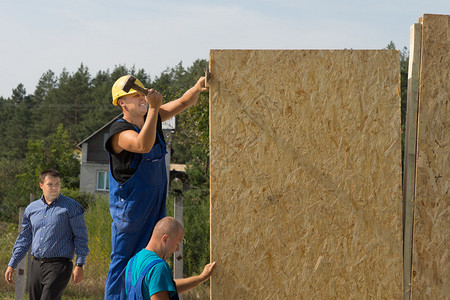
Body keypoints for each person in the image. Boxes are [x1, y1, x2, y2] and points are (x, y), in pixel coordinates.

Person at [105, 75, 208, 299]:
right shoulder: (119, 132)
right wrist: (153, 109)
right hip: (130, 214)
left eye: (142, 95)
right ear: (121, 103)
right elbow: (142, 144)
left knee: (152, 264)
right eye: (135, 96)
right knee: (125, 266)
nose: (141, 98)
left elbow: (182, 102)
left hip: (154, 206)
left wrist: (197, 88)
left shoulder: (154, 118)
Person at [4, 169, 89, 300]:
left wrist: (80, 264)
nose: (54, 188)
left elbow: (81, 237)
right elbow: (24, 239)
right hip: (36, 265)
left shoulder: (71, 207)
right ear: (41, 185)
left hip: (59, 265)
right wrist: (12, 264)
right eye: (50, 184)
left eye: (57, 184)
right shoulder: (31, 209)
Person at [125, 217, 216, 300]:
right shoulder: (158, 267)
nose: (177, 249)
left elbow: (162, 286)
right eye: (177, 243)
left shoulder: (133, 261)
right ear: (165, 239)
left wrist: (201, 278)